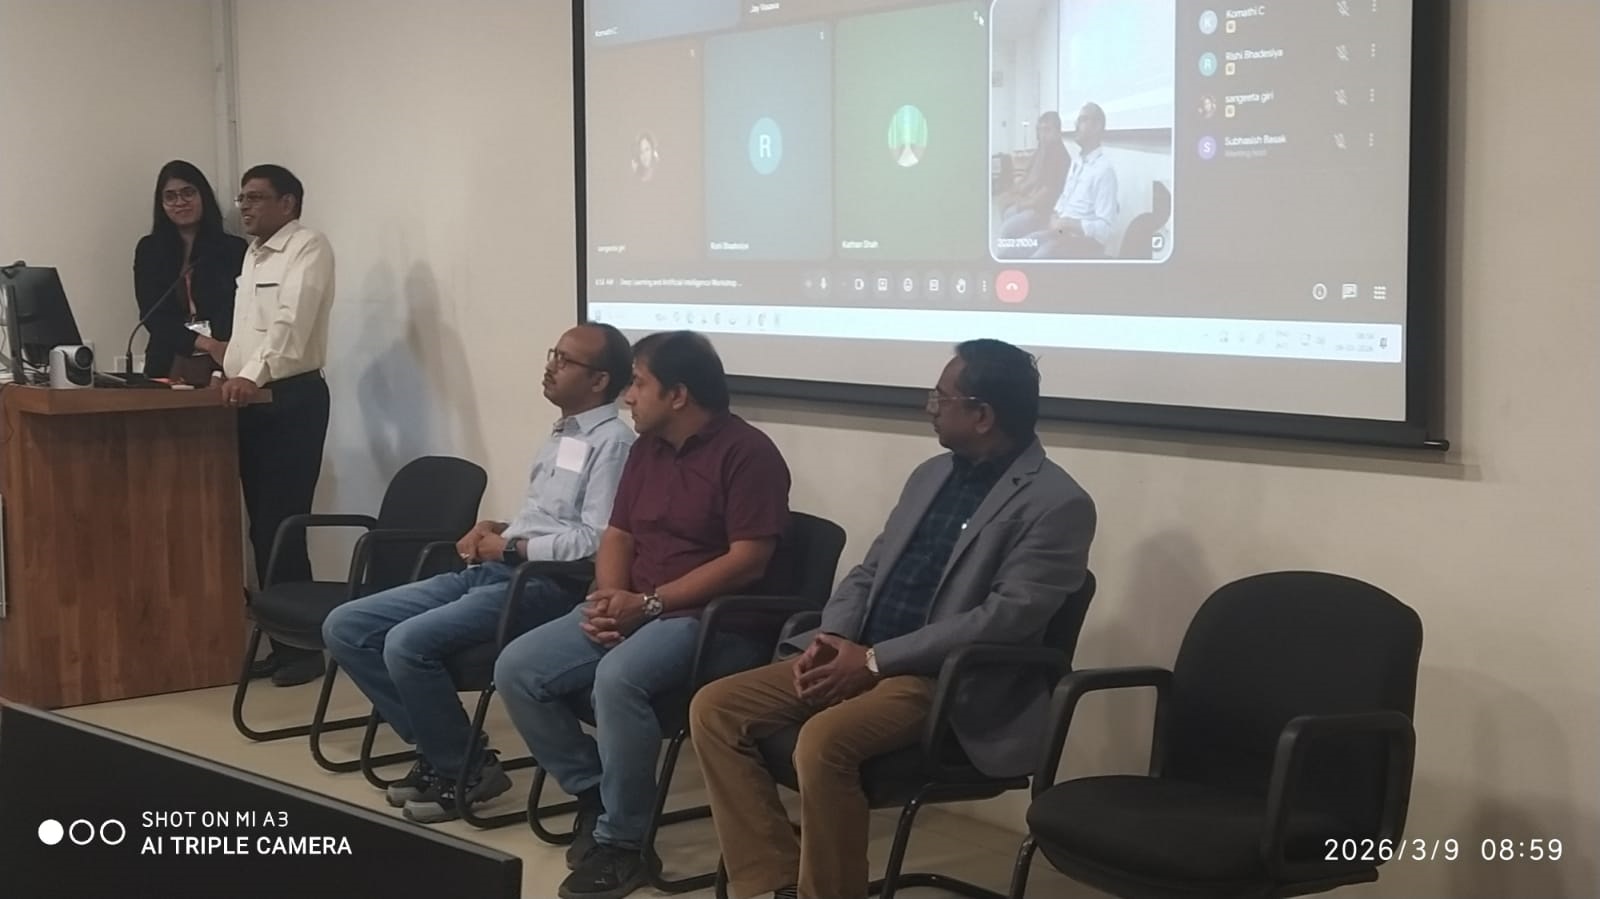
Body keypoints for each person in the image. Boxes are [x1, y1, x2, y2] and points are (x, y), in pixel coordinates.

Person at [690, 339, 1097, 899]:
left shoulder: (1058, 503)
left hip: (940, 680)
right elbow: (869, 570)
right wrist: (834, 635)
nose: (929, 406)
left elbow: (1003, 619)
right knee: (715, 708)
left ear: (982, 414)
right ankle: (774, 879)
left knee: (823, 741)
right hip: (857, 651)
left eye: (941, 397)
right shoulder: (931, 474)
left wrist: (877, 660)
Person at [494, 330, 792, 899]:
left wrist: (651, 603)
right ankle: (596, 793)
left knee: (617, 678)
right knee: (517, 667)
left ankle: (624, 843)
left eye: (638, 384)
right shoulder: (646, 448)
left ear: (678, 394)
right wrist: (609, 599)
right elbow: (618, 533)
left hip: (710, 621)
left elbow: (748, 561)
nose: (628, 396)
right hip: (636, 606)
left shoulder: (748, 453)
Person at [321, 323, 636, 824]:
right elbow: (551, 521)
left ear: (599, 380)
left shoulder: (612, 443)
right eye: (553, 353)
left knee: (405, 643)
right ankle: (449, 752)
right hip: (498, 568)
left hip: (544, 586)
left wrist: (510, 546)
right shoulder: (565, 434)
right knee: (346, 626)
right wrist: (498, 528)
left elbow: (595, 541)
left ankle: (459, 769)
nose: (550, 366)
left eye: (565, 360)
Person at [224, 164, 337, 686]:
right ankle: (282, 640)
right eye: (242, 198)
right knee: (261, 527)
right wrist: (229, 370)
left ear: (288, 203)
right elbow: (249, 332)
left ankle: (304, 650)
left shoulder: (308, 247)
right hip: (252, 398)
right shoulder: (253, 254)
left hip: (291, 398)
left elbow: (291, 323)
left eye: (255, 198)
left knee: (283, 525)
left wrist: (249, 375)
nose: (244, 207)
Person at [132, 160, 247, 382]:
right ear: (161, 204)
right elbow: (153, 315)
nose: (180, 202)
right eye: (170, 196)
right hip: (167, 359)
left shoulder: (233, 249)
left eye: (188, 193)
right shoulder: (150, 249)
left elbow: (237, 311)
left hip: (223, 360)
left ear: (203, 195)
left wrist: (220, 356)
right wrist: (207, 344)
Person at [1005, 103, 1120, 259]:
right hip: (1058, 233)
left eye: (1082, 120)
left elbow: (1105, 231)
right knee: (1010, 251)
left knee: (1034, 260)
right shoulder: (1077, 161)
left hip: (1080, 242)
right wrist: (1055, 215)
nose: (1076, 125)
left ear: (1097, 126)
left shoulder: (1104, 171)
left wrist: (1068, 223)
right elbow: (1064, 198)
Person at [996, 112, 1070, 241]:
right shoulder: (1042, 150)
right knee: (1003, 202)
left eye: (1047, 130)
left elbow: (1045, 195)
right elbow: (1030, 178)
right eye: (1040, 130)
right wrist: (1014, 192)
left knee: (1007, 226)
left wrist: (1022, 204)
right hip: (1033, 200)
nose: (1042, 135)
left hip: (1045, 210)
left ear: (1058, 132)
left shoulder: (1060, 156)